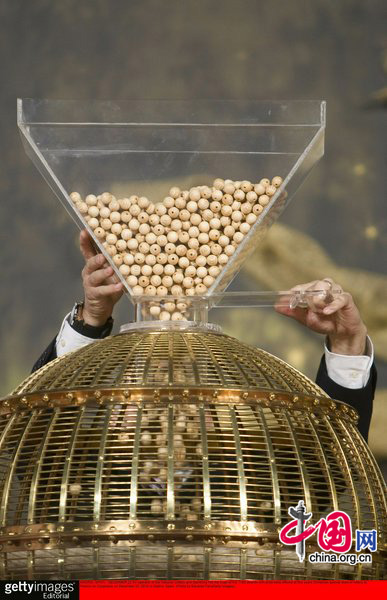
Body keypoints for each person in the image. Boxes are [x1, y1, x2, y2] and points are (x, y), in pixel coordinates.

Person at [32, 230, 376, 441]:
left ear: (218, 408)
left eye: (187, 386)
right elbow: (31, 441)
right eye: (146, 389)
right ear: (116, 408)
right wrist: (90, 321)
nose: (166, 406)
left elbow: (333, 468)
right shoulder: (77, 478)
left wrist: (347, 344)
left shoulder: (257, 484)